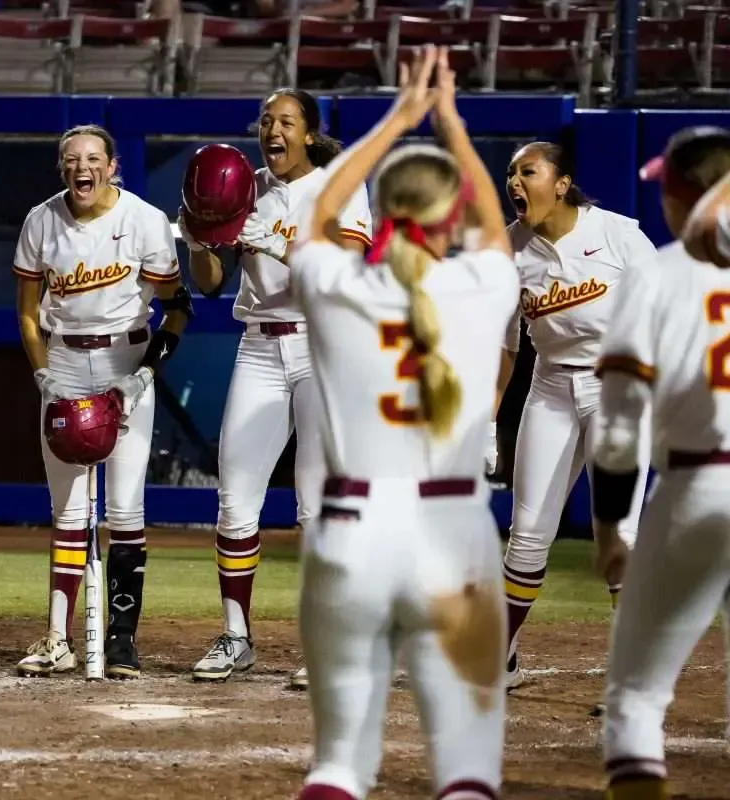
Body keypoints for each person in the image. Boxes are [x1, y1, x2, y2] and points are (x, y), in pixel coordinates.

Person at [287, 46, 518, 800]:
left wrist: (399, 117)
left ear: (383, 218)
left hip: (351, 528)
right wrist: (450, 122)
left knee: (338, 770)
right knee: (466, 772)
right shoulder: (483, 284)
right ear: (450, 219)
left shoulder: (337, 283)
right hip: (455, 533)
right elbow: (495, 232)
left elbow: (319, 215)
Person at [181, 88, 372, 688]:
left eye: (286, 121)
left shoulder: (341, 183)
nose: (273, 129)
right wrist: (199, 241)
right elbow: (212, 283)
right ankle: (237, 637)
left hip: (325, 346)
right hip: (261, 344)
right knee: (235, 495)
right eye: (266, 120)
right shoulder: (246, 184)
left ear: (310, 133)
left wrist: (278, 243)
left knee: (317, 507)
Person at [13, 123, 192, 679]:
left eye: (93, 158)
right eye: (71, 159)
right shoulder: (41, 220)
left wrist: (143, 377)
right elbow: (26, 311)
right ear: (62, 168)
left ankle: (120, 640)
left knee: (125, 509)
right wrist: (43, 374)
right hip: (64, 363)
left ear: (112, 166)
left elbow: (178, 307)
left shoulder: (144, 222)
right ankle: (57, 639)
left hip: (126, 363)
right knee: (66, 511)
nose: (81, 167)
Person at [591, 125, 730, 800]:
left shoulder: (656, 274)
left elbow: (618, 428)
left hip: (694, 488)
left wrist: (612, 526)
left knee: (636, 701)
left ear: (679, 198)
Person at [497, 137, 658, 693]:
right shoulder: (511, 248)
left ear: (562, 183)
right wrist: (487, 421)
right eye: (511, 174)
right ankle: (503, 658)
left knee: (621, 533)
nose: (515, 182)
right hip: (549, 387)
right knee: (526, 534)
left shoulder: (616, 233)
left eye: (529, 172)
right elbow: (507, 346)